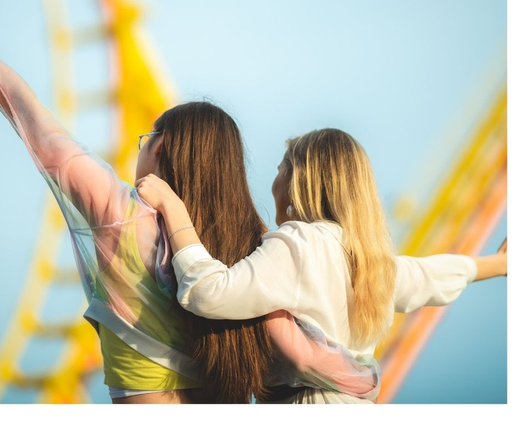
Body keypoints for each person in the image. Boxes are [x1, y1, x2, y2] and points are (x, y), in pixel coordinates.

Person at [0, 14, 382, 404]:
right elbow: (300, 350)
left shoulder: (116, 212)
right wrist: (365, 380)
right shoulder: (250, 240)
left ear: (164, 146)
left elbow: (22, 107)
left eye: (146, 139)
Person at [136, 128, 508, 404]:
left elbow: (209, 293)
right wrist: (499, 263)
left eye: (281, 168)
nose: (274, 179)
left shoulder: (300, 243)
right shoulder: (368, 257)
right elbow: (430, 276)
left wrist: (173, 207)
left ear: (298, 180)